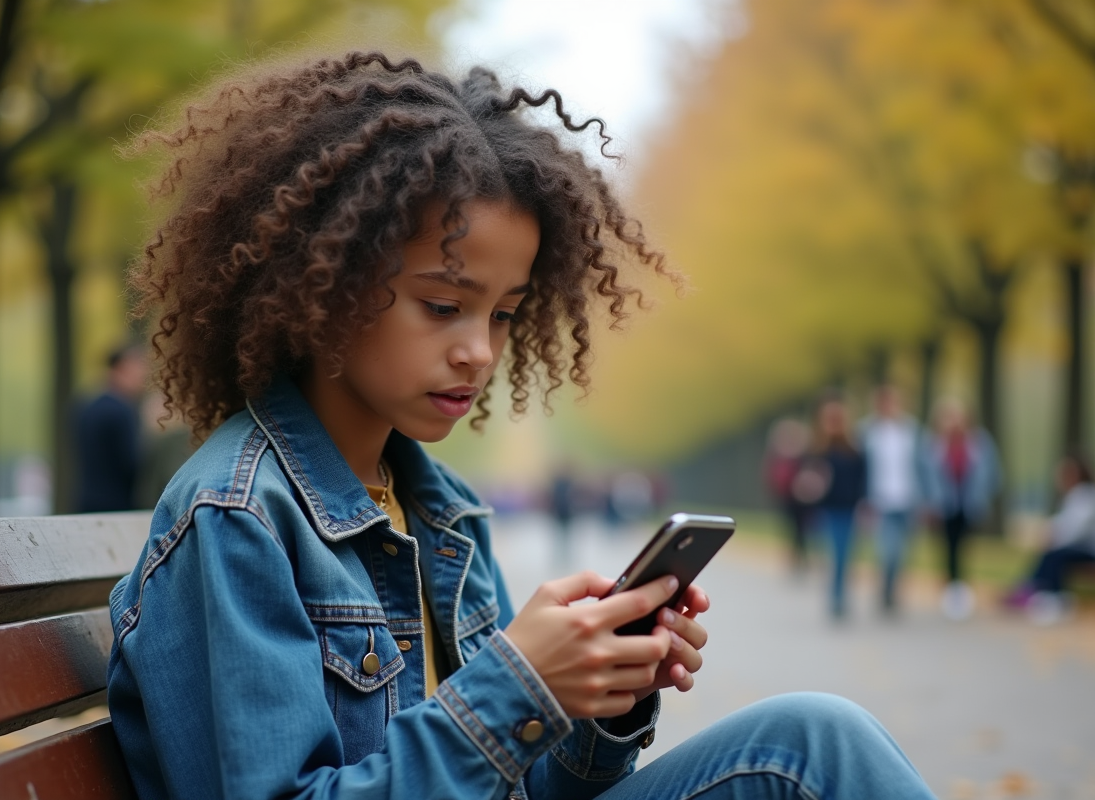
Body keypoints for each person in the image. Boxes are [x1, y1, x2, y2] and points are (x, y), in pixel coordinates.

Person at [106, 52, 934, 800]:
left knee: (812, 740)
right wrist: (516, 683)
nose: (479, 352)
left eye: (504, 315)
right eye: (443, 305)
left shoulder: (442, 509)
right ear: (320, 284)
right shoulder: (236, 517)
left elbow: (529, 789)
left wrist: (603, 693)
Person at [920, 400, 1001, 621]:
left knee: (964, 547)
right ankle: (952, 591)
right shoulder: (933, 444)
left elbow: (991, 472)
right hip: (943, 504)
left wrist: (984, 496)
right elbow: (924, 476)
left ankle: (960, 589)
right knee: (948, 547)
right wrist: (927, 503)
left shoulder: (979, 442)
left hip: (970, 503)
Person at [1003, 453, 1095, 625]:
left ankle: (1050, 595)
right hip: (1079, 547)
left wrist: (1051, 535)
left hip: (1088, 550)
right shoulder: (1076, 496)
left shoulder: (1085, 496)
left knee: (1055, 555)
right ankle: (1032, 588)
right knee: (1051, 553)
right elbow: (1062, 523)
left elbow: (1074, 530)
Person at [857, 385, 925, 615]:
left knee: (904, 552)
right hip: (880, 500)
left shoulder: (911, 430)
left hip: (908, 499)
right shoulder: (867, 431)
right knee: (888, 551)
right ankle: (885, 592)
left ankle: (893, 591)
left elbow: (922, 465)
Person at [806, 396, 868, 619]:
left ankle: (839, 595)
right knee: (831, 554)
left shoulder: (854, 451)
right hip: (825, 511)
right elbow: (807, 483)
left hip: (848, 510)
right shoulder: (817, 451)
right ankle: (835, 595)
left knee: (844, 554)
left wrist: (864, 505)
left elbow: (862, 481)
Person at [74, 344, 148, 512]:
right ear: (122, 367)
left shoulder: (86, 405)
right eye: (139, 367)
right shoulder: (122, 410)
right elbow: (132, 463)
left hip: (86, 500)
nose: (143, 376)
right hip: (117, 506)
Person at [763, 417, 813, 573]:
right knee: (794, 529)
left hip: (801, 499)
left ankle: (799, 555)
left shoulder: (801, 455)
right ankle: (798, 556)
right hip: (788, 498)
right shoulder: (781, 456)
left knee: (799, 529)